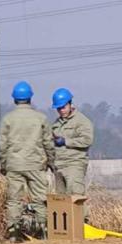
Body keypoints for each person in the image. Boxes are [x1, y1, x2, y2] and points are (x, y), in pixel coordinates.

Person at [0, 80, 55, 241]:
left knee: (14, 200)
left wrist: (4, 165)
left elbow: (3, 146)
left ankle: (14, 233)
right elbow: (48, 143)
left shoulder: (8, 119)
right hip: (36, 164)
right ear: (30, 98)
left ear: (15, 99)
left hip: (14, 165)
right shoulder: (41, 118)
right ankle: (43, 231)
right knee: (40, 200)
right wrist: (50, 161)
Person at [50, 87, 94, 222]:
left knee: (75, 197)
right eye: (58, 108)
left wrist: (66, 141)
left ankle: (83, 225)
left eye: (63, 107)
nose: (61, 110)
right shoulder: (56, 124)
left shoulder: (82, 121)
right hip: (59, 165)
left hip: (75, 164)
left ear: (70, 104)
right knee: (61, 200)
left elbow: (87, 140)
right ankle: (67, 229)